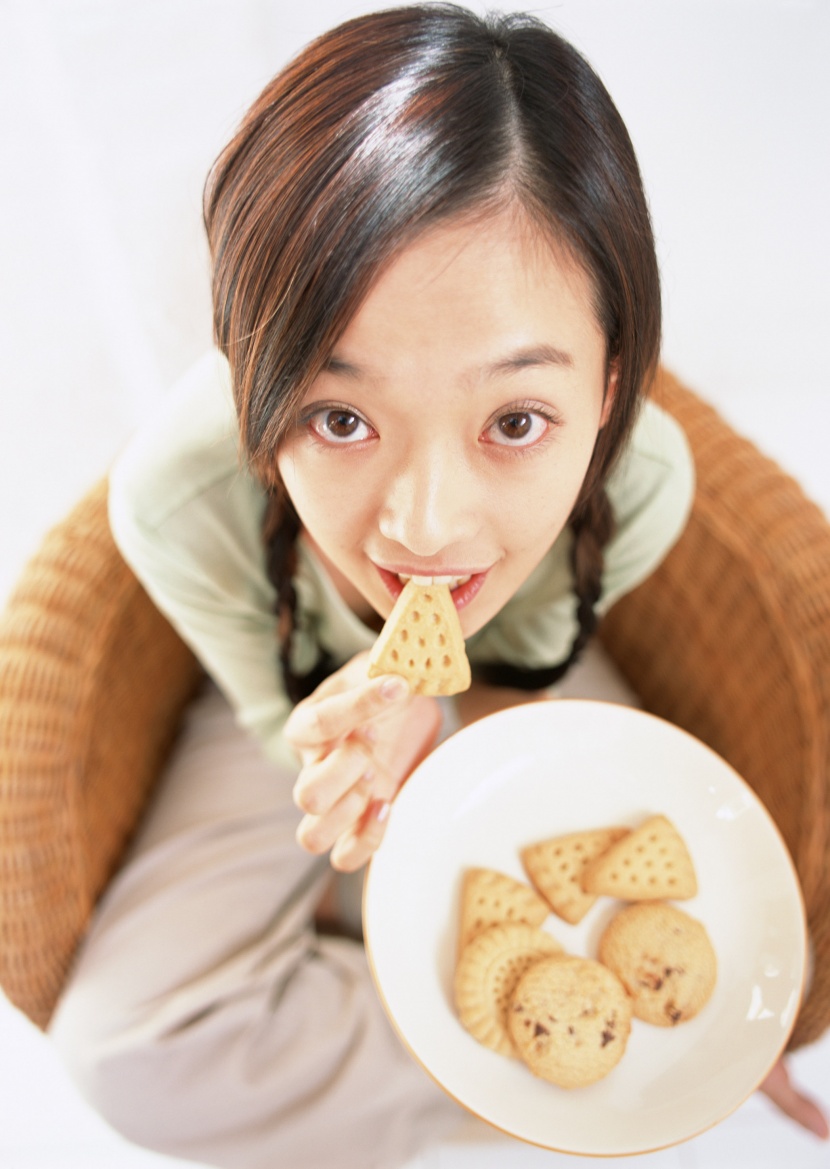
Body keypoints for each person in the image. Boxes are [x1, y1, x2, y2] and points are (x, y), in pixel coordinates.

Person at [48, 4, 827, 1166]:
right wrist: (376, 766)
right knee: (129, 1050)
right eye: (339, 415)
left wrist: (475, 739)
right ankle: (512, 1063)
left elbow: (532, 661)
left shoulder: (645, 486)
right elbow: (282, 724)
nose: (421, 526)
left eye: (514, 418)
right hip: (291, 690)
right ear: (251, 380)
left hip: (528, 666)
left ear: (607, 386)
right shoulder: (177, 499)